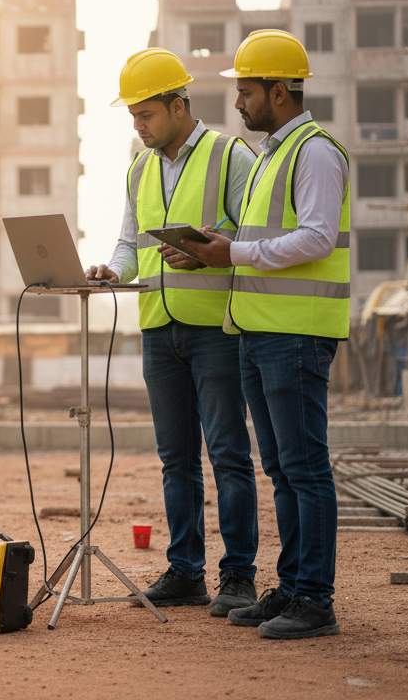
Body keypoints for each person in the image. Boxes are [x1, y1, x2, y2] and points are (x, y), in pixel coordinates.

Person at [184, 29, 349, 640]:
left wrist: (236, 251)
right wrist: (215, 246)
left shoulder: (315, 151)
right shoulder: (276, 154)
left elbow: (317, 237)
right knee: (282, 470)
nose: (237, 103)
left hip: (296, 336)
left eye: (246, 90)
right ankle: (294, 587)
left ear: (279, 92)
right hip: (260, 333)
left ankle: (317, 600)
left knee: (306, 470)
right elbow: (258, 240)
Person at [87, 48, 260, 617]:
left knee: (229, 454)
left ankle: (237, 574)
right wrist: (113, 270)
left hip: (215, 328)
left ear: (179, 105)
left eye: (147, 115)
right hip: (159, 328)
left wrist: (211, 254)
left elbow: (249, 241)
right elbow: (131, 242)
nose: (138, 125)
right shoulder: (140, 164)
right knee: (176, 459)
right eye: (133, 117)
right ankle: (186, 571)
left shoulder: (229, 155)